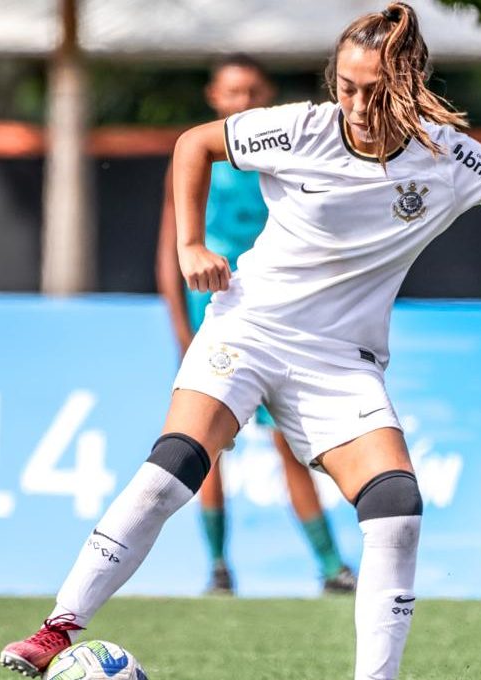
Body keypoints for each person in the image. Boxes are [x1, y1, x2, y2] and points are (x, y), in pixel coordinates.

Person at [0, 3, 481, 679]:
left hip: (339, 362)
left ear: (407, 85)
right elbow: (193, 145)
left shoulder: (446, 155)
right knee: (171, 471)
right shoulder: (298, 128)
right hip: (250, 327)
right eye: (344, 86)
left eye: (372, 91)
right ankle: (57, 630)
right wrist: (189, 244)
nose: (353, 104)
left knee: (397, 510)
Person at [155, 52, 355, 596]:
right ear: (213, 98)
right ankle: (218, 566)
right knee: (206, 445)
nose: (242, 101)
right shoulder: (196, 157)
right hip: (212, 313)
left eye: (251, 92)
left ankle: (331, 564)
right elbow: (172, 249)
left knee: (291, 443)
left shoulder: (280, 155)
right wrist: (181, 329)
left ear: (265, 95)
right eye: (231, 92)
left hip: (276, 310)